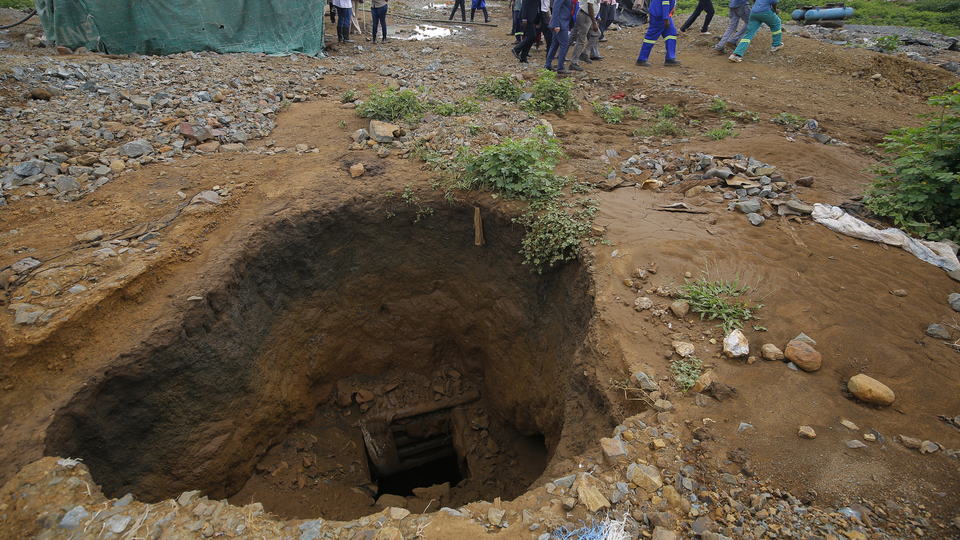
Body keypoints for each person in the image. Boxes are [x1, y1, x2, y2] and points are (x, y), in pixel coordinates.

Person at [635, 0, 680, 66]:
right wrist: (666, 19)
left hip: (663, 14)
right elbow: (665, 3)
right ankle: (641, 59)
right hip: (659, 15)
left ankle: (670, 58)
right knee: (651, 37)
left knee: (671, 33)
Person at [567, 0, 601, 71]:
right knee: (581, 40)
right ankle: (574, 63)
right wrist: (594, 22)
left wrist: (596, 16)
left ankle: (584, 53)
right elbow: (590, 6)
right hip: (585, 16)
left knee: (597, 34)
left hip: (589, 16)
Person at [544, 0, 573, 73]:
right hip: (560, 23)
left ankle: (547, 64)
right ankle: (561, 67)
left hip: (563, 22)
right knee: (564, 44)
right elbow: (556, 8)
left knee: (555, 44)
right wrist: (557, 24)